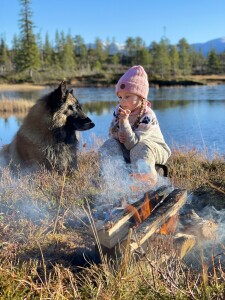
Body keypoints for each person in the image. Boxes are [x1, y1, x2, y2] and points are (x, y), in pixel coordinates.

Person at [99, 65, 171, 188]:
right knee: (108, 145)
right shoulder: (119, 110)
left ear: (141, 97)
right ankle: (118, 184)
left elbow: (132, 144)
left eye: (127, 97)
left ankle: (146, 186)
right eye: (120, 97)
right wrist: (118, 134)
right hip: (130, 151)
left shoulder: (148, 116)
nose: (122, 101)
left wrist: (125, 123)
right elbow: (112, 134)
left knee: (140, 147)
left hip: (153, 150)